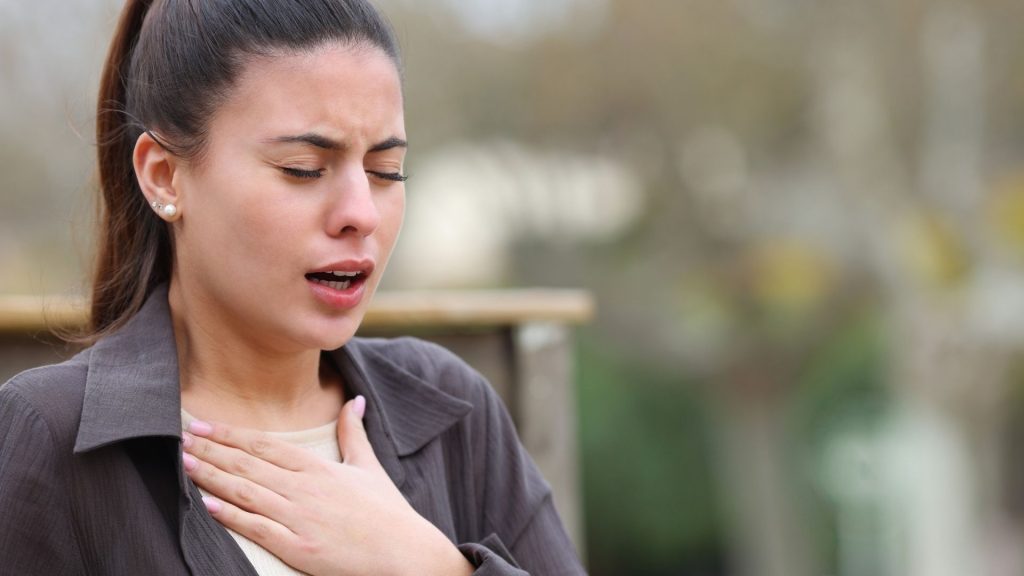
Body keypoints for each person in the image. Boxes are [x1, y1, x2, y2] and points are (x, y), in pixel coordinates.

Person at [0, 0, 586, 574]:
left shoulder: (453, 414)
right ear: (164, 174)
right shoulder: (53, 439)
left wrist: (429, 565)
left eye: (386, 172)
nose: (361, 213)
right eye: (304, 168)